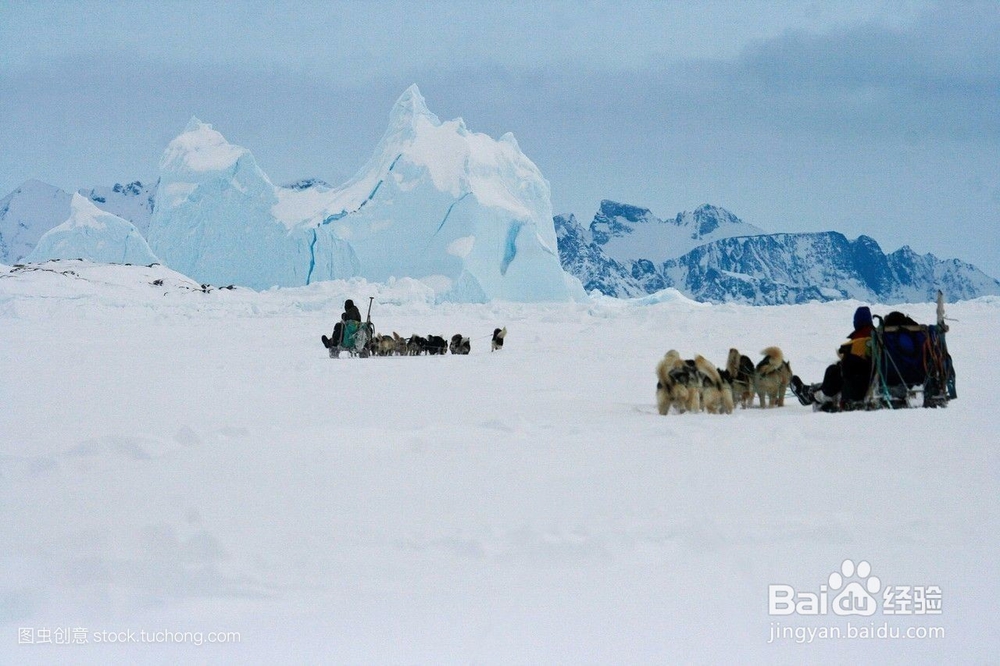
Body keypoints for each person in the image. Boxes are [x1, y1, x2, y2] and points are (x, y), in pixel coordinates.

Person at [790, 306, 875, 411]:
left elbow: (845, 360)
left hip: (856, 388)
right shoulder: (877, 339)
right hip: (870, 381)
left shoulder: (855, 343)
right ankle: (811, 392)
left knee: (834, 372)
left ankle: (811, 395)